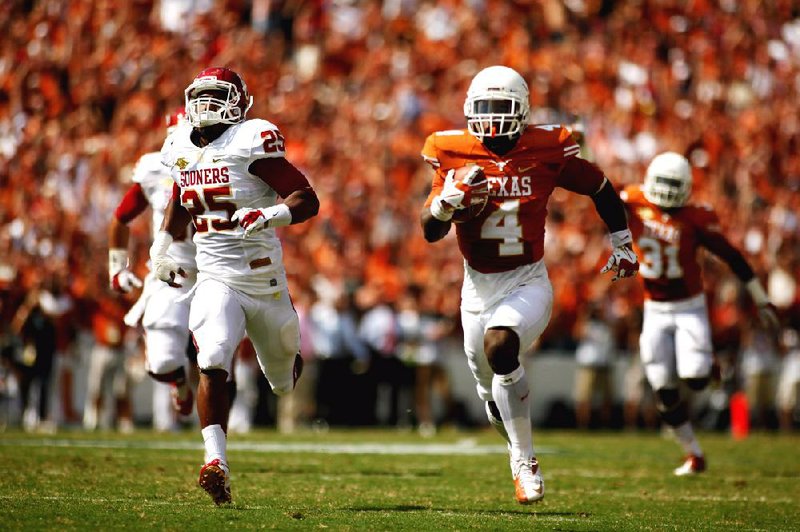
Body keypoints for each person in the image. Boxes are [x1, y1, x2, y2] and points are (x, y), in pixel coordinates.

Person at [420, 65, 639, 504]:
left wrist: (623, 242)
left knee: (501, 347)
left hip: (527, 281)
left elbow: (599, 185)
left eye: (503, 108)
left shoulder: (547, 148)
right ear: (468, 109)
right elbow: (429, 230)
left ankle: (525, 463)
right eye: (485, 109)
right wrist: (445, 205)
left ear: (522, 110)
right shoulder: (450, 153)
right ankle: (508, 426)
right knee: (490, 388)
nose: (493, 119)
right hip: (476, 288)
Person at [151, 66, 319, 505]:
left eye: (217, 94)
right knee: (213, 359)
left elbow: (306, 198)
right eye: (201, 95)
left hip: (264, 281)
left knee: (282, 382)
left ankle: (283, 364)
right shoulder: (179, 146)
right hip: (215, 276)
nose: (206, 104)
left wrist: (270, 215)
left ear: (240, 101)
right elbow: (179, 200)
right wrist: (164, 245)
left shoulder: (252, 141)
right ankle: (216, 462)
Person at [620, 151, 780, 475]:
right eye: (662, 183)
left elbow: (732, 257)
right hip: (654, 308)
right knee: (663, 389)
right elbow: (598, 192)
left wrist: (761, 298)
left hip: (688, 306)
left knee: (694, 380)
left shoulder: (697, 217)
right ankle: (693, 453)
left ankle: (710, 367)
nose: (665, 191)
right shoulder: (633, 199)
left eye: (672, 184)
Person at [109, 108, 198, 426]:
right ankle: (180, 379)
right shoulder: (153, 168)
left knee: (220, 356)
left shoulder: (226, 163)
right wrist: (117, 267)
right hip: (172, 269)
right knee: (161, 361)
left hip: (218, 266)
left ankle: (217, 445)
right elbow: (122, 217)